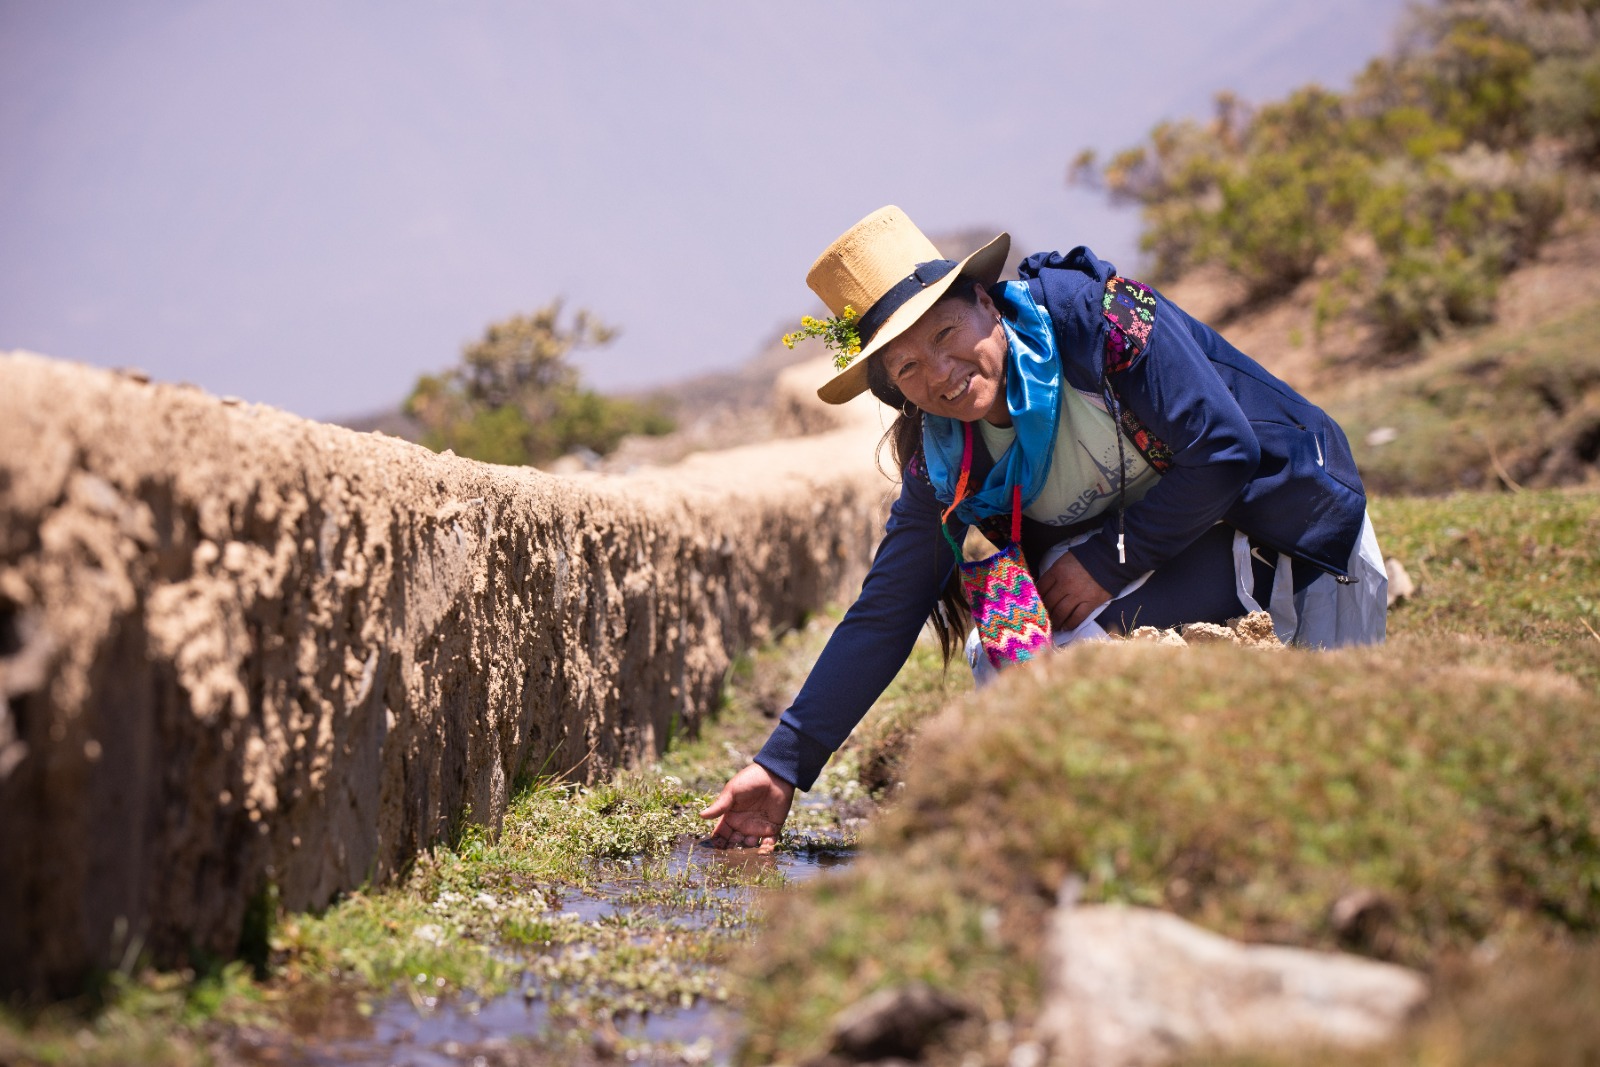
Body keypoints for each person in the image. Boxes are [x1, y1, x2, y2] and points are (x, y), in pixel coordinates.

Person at [700, 205, 1387, 851]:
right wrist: (783, 763)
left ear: (985, 304)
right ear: (893, 389)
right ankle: (1088, 837)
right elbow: (887, 610)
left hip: (1291, 527)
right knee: (1005, 653)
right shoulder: (943, 462)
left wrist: (1107, 561)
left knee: (1341, 786)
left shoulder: (1105, 324)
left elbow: (1225, 450)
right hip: (1178, 566)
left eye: (946, 334)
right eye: (908, 366)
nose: (941, 373)